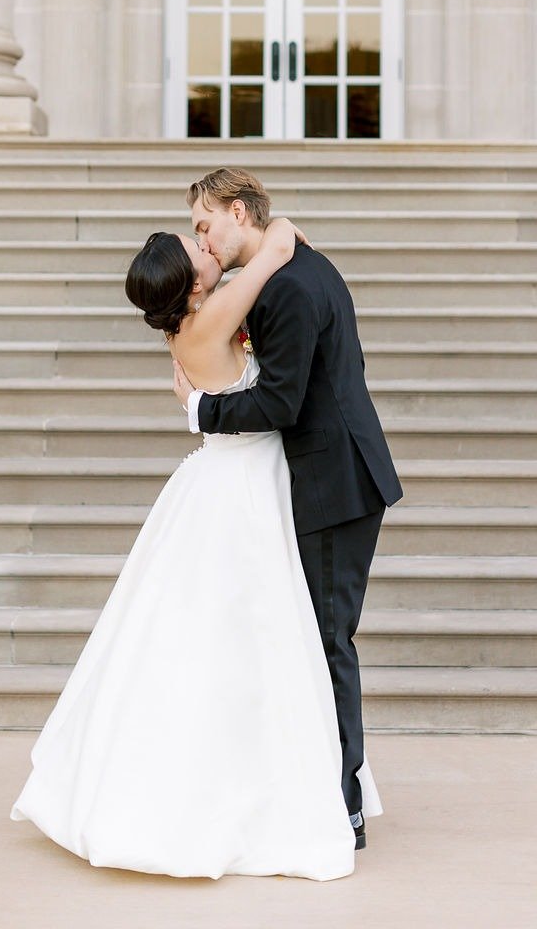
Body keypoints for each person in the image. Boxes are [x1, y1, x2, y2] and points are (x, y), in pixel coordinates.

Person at [9, 208, 370, 881]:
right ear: (193, 286)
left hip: (226, 475)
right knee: (259, 633)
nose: (206, 245)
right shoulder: (215, 310)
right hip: (244, 482)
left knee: (220, 637)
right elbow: (278, 248)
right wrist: (269, 228)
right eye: (195, 246)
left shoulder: (190, 325)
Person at [172, 167, 403, 848]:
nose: (203, 241)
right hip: (336, 476)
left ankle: (344, 804)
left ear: (239, 212)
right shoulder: (294, 267)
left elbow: (281, 403)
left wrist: (201, 409)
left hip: (335, 487)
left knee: (328, 643)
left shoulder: (289, 288)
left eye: (205, 225)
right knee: (315, 639)